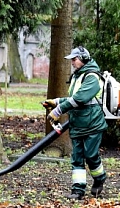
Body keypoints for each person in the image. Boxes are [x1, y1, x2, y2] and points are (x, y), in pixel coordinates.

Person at [44, 46, 108, 199]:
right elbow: (73, 98)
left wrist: (58, 110)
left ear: (84, 59)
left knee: (91, 155)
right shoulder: (77, 76)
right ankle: (77, 191)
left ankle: (100, 179)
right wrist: (56, 101)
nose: (72, 62)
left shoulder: (92, 76)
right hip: (77, 123)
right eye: (71, 59)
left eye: (75, 59)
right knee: (77, 157)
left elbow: (80, 98)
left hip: (93, 124)